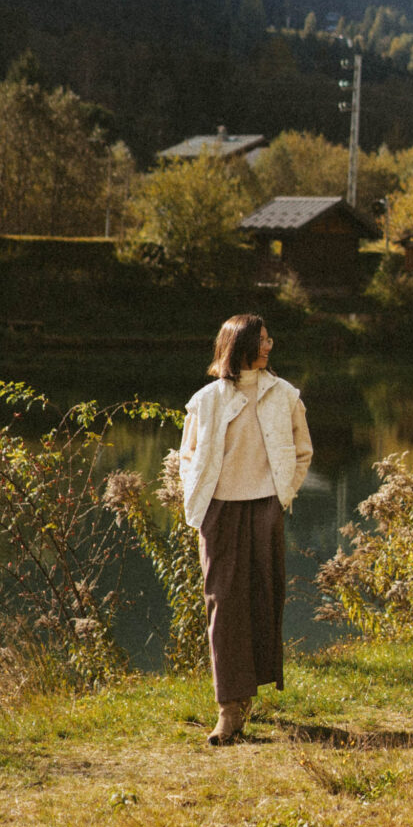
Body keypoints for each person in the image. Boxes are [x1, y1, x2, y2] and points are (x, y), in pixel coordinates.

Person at [177, 312, 313, 745]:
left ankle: (246, 697)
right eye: (261, 339)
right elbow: (187, 457)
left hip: (264, 508)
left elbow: (302, 451)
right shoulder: (206, 401)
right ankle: (228, 708)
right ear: (238, 345)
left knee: (262, 599)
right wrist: (198, 502)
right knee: (222, 604)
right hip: (219, 512)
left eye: (270, 338)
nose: (269, 345)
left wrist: (282, 492)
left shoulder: (284, 396)